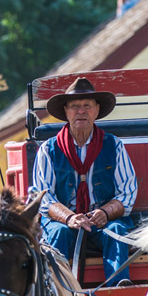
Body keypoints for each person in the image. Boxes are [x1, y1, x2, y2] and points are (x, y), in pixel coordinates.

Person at [30, 77, 138, 283]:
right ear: (66, 112)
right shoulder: (48, 150)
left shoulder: (114, 146)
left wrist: (105, 212)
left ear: (96, 110)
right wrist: (70, 217)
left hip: (104, 221)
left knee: (116, 231)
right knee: (58, 233)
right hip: (63, 221)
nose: (81, 111)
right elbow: (43, 197)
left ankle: (119, 287)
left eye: (87, 106)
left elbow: (128, 192)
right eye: (75, 106)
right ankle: (55, 289)